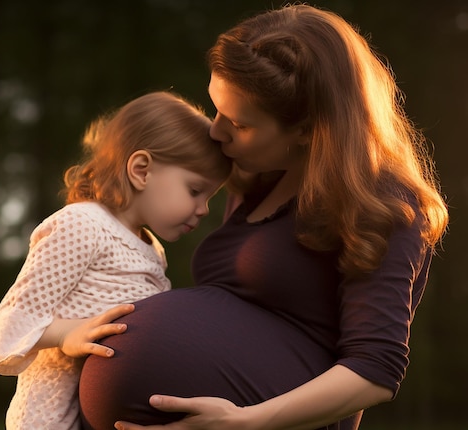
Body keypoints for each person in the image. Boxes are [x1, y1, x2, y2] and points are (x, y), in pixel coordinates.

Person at [78, 4, 449, 430]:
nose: (215, 131)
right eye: (216, 108)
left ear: (309, 128)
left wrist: (248, 421)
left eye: (238, 122)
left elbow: (376, 369)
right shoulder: (258, 179)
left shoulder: (387, 201)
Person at [0, 91, 232, 430]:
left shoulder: (153, 250)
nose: (203, 209)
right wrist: (66, 334)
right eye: (195, 190)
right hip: (51, 418)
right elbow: (9, 325)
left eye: (210, 197)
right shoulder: (81, 224)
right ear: (141, 170)